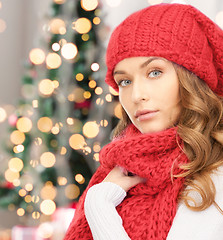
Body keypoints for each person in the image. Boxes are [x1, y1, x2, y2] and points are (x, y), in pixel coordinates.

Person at [64, 3, 223, 240]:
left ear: (193, 76)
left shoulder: (213, 177)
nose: (137, 95)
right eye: (125, 81)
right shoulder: (122, 168)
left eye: (155, 72)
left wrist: (99, 206)